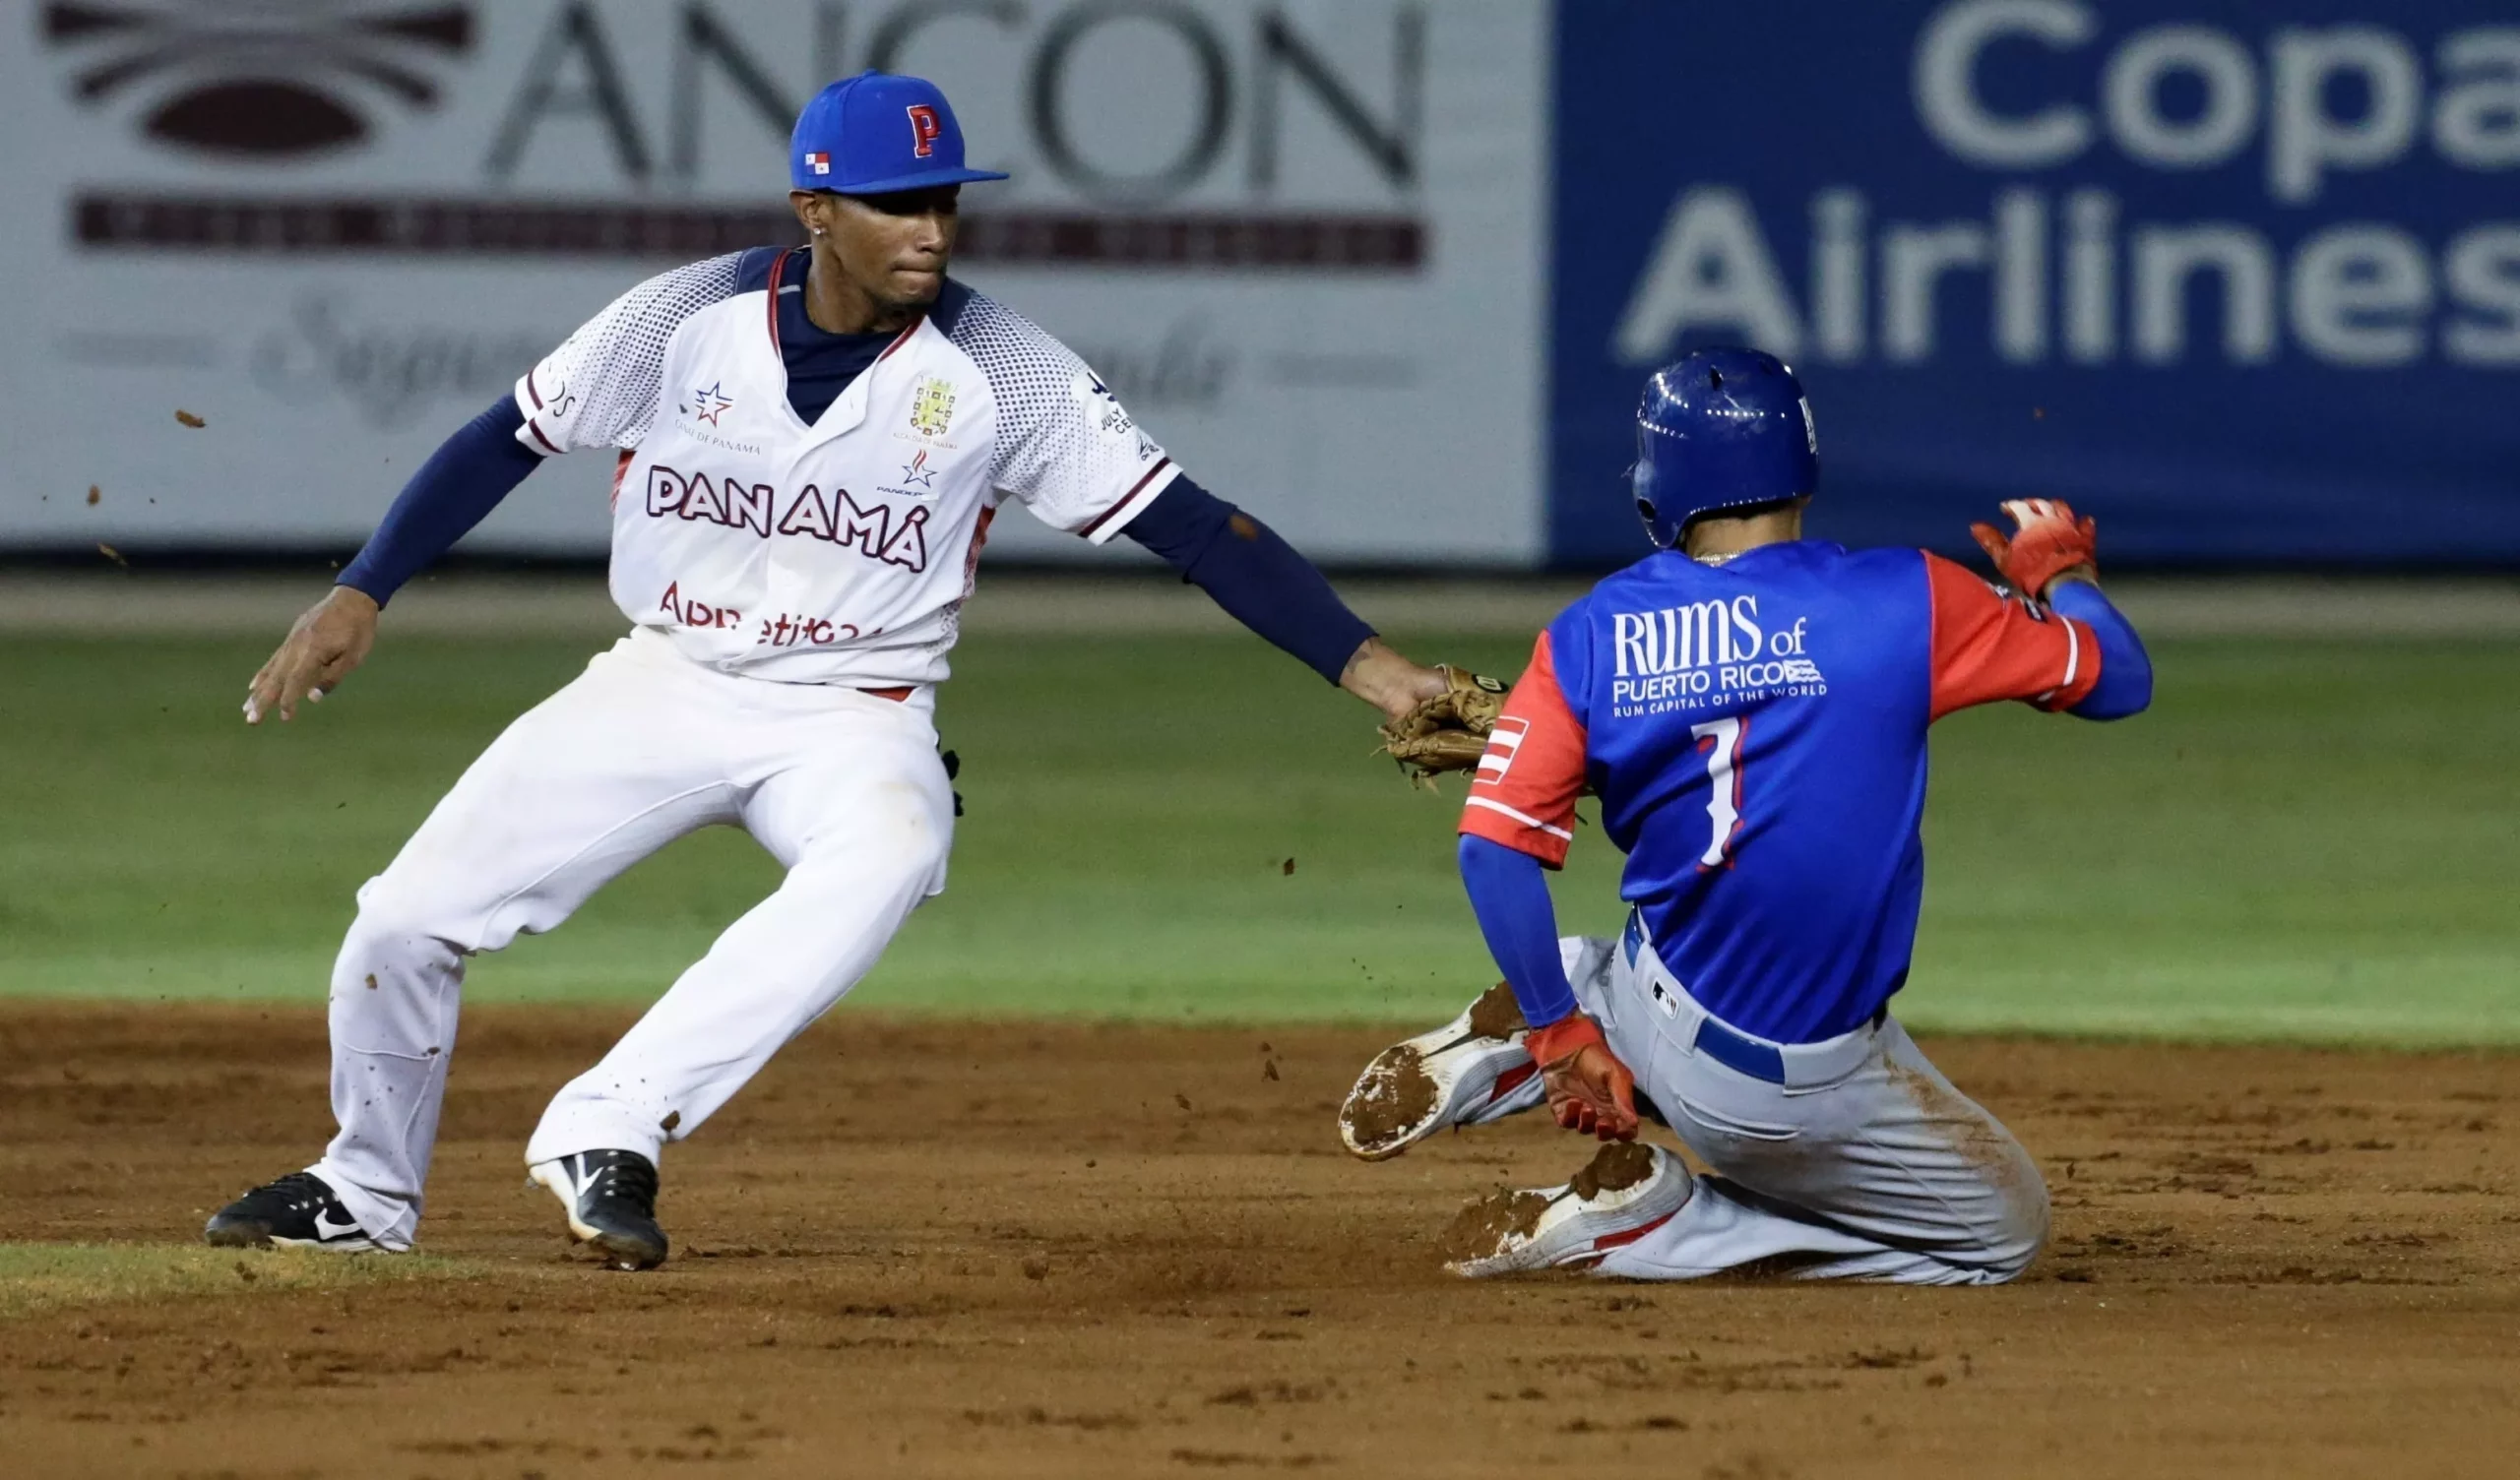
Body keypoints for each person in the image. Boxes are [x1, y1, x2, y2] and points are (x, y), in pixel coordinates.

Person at [205, 71, 1445, 1270]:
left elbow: (1191, 524)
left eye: (946, 200)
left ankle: (612, 1119)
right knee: (404, 918)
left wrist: (1378, 673)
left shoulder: (1005, 370)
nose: (932, 228)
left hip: (859, 710)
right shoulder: (679, 317)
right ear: (815, 212)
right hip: (663, 677)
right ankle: (366, 1189)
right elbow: (507, 437)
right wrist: (364, 585)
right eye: (898, 202)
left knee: (895, 848)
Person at [1337, 347, 2153, 1284]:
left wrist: (1563, 1034)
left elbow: (1492, 848)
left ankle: (1551, 1011)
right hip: (1784, 1093)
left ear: (1660, 486)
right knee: (2000, 1237)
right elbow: (2118, 679)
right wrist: (2060, 576)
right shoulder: (1910, 598)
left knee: (1631, 951)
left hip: (1658, 992)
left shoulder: (1592, 632)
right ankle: (1663, 1226)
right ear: (1802, 464)